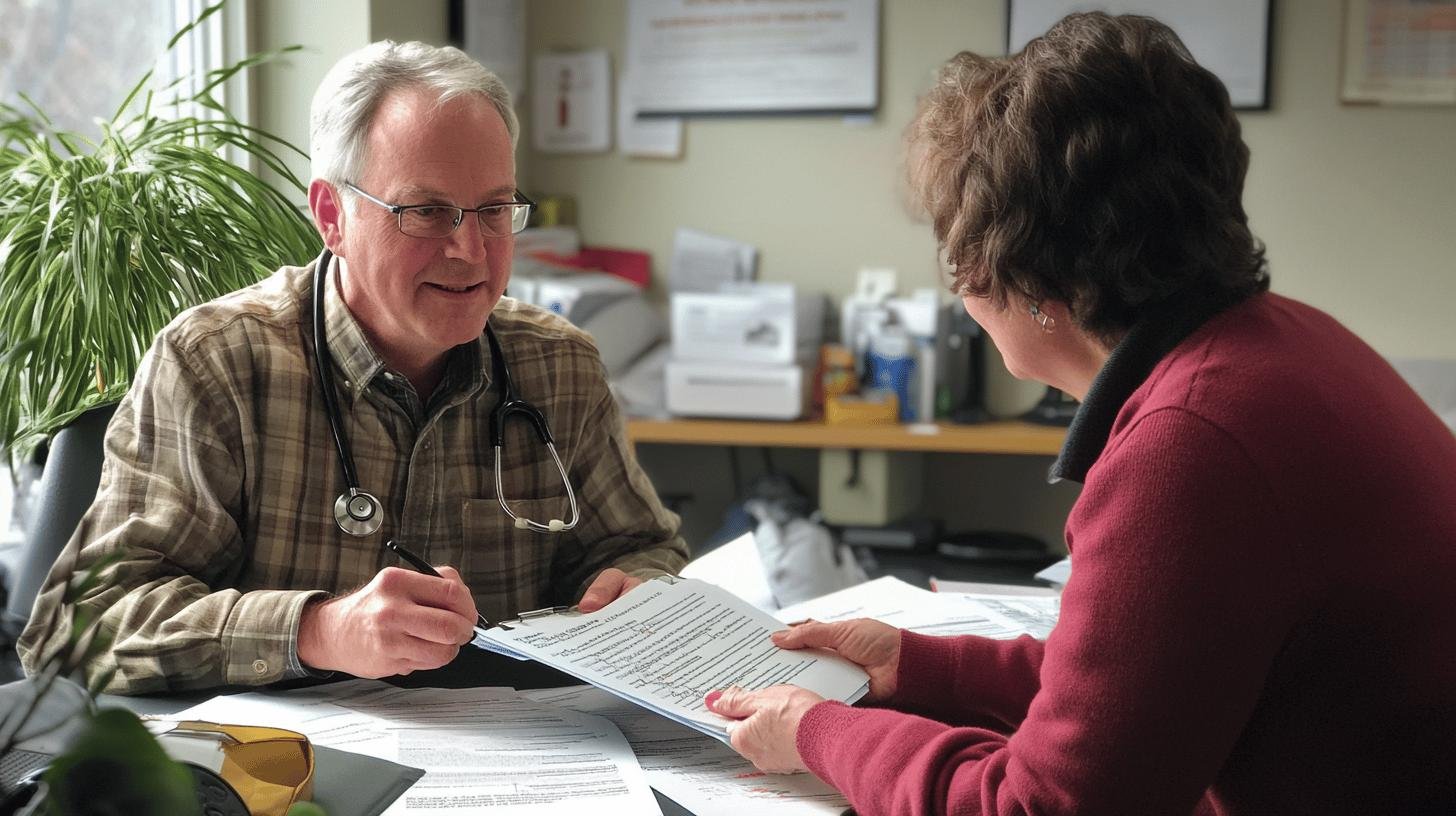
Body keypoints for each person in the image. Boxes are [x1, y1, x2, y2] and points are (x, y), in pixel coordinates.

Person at [706, 13, 1456, 815]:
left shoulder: (1189, 446)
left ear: (1024, 276)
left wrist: (818, 731)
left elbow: (1041, 807)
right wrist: (916, 667)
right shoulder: (1289, 342)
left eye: (957, 251)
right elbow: (1149, 680)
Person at [18, 41, 687, 694]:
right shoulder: (217, 364)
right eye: (426, 212)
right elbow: (74, 630)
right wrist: (317, 631)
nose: (471, 250)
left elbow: (642, 550)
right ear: (332, 215)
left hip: (532, 766)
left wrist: (635, 587)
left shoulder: (558, 365)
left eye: (493, 210)